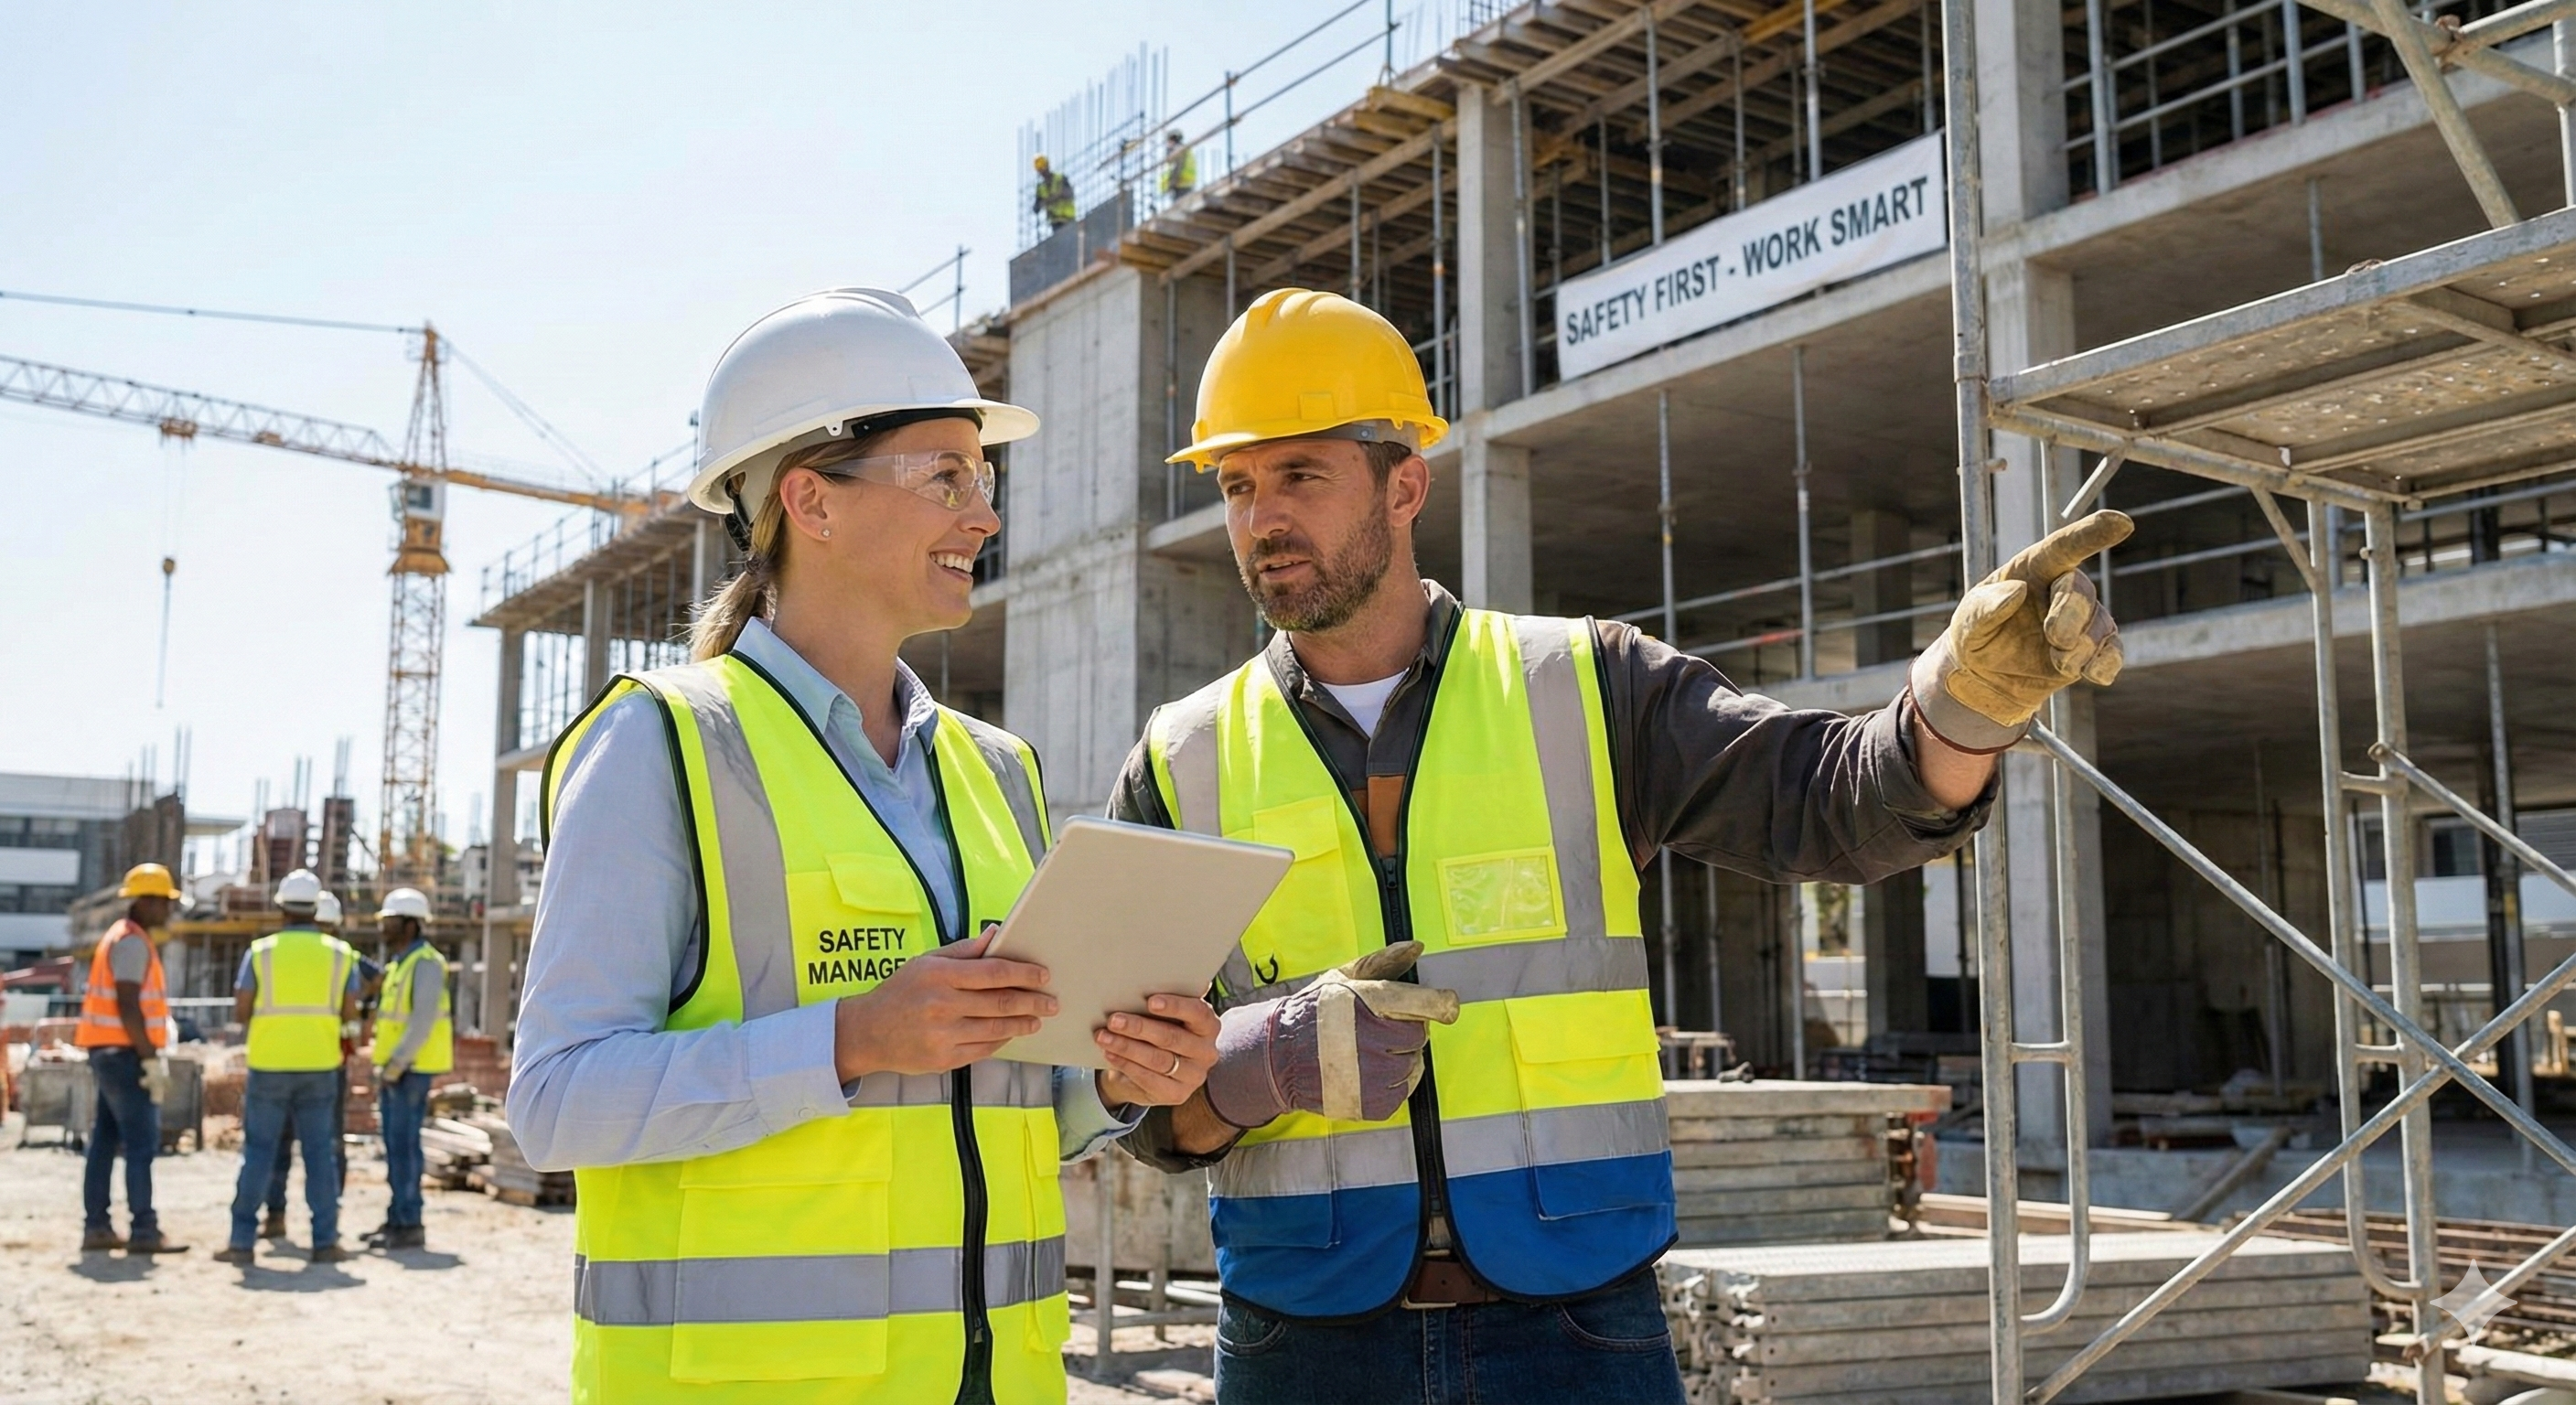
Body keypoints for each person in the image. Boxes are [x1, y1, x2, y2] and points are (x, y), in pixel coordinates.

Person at [1113, 289, 2133, 1405]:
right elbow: (1134, 1101)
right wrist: (1255, 1068)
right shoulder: (1183, 759)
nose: (1261, 517)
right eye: (1236, 484)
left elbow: (1826, 801)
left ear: (1403, 484)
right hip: (1301, 1345)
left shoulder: (1581, 687)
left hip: (1572, 1330)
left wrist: (1960, 708)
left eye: (1299, 474)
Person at [508, 287, 1223, 1404]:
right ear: (811, 502)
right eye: (943, 475)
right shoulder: (665, 743)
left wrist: (1123, 1080)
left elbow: (1003, 1099)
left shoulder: (996, 770)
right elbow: (556, 1101)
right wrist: (851, 1038)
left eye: (982, 481)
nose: (983, 516)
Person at [216, 868, 362, 1266]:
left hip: (269, 1064)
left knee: (259, 1152)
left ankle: (242, 1241)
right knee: (319, 1155)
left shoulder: (260, 953)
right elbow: (351, 1014)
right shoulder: (340, 955)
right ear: (317, 909)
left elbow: (241, 1010)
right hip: (320, 1065)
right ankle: (326, 1241)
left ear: (281, 908)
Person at [73, 863, 188, 1255]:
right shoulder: (132, 942)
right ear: (147, 902)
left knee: (105, 1139)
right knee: (141, 1143)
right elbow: (128, 1003)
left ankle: (98, 1227)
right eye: (165, 903)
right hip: (123, 1054)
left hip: (109, 1051)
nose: (169, 911)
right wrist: (149, 1059)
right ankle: (144, 1230)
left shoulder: (124, 937)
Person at [259, 889, 373, 1239]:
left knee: (311, 1143)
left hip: (312, 1060)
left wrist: (354, 1023)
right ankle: (304, 1221)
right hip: (318, 1061)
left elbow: (373, 980)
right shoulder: (334, 956)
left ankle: (311, 1219)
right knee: (313, 1145)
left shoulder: (340, 957)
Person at [365, 886, 445, 1251]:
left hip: (409, 1071)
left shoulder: (425, 962)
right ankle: (398, 1217)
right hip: (396, 1071)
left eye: (391, 920)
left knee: (405, 1148)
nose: (384, 927)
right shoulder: (400, 964)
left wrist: (395, 1065)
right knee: (395, 1148)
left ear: (411, 925)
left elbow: (422, 1020)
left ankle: (409, 1222)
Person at [1032, 154, 1075, 231]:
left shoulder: (1060, 178)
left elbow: (1070, 193)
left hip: (1068, 218)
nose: (1042, 170)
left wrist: (1055, 197)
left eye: (1043, 166)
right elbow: (1036, 208)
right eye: (1040, 168)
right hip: (1055, 221)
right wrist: (1047, 201)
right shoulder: (1041, 188)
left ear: (1048, 166)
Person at [1161, 131, 1196, 200]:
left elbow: (1177, 167)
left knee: (1180, 208)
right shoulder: (1185, 150)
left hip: (1181, 185)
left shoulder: (1178, 149)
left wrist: (1171, 184)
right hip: (1185, 185)